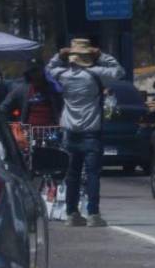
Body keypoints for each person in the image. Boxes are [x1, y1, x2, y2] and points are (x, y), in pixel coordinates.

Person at [47, 38, 125, 228]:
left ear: (71, 56)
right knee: (92, 175)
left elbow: (49, 68)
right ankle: (93, 214)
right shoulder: (96, 74)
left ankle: (71, 213)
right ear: (89, 56)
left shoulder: (63, 74)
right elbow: (119, 71)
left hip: (70, 131)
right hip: (91, 131)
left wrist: (60, 55)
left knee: (72, 174)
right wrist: (101, 55)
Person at [0, 59, 63, 126]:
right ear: (28, 74)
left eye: (37, 71)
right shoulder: (21, 90)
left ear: (43, 71)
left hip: (52, 132)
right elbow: (3, 108)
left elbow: (62, 109)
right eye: (32, 71)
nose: (35, 75)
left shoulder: (54, 89)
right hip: (27, 133)